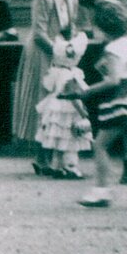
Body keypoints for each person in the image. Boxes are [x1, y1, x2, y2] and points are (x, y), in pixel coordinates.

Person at [68, 0, 127, 209]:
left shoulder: (113, 49)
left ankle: (101, 191)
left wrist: (87, 91)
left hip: (122, 102)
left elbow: (114, 80)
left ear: (104, 27)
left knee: (100, 145)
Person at [11, 0, 79, 172]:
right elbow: (39, 32)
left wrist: (71, 46)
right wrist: (56, 51)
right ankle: (41, 158)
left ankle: (53, 157)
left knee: (60, 100)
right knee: (44, 98)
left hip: (61, 51)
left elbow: (71, 26)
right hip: (43, 51)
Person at [34, 31, 92, 179]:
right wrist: (83, 112)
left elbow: (49, 87)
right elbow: (73, 95)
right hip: (69, 108)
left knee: (61, 138)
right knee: (70, 140)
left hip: (56, 106)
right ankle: (70, 166)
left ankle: (57, 165)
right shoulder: (70, 74)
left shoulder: (56, 71)